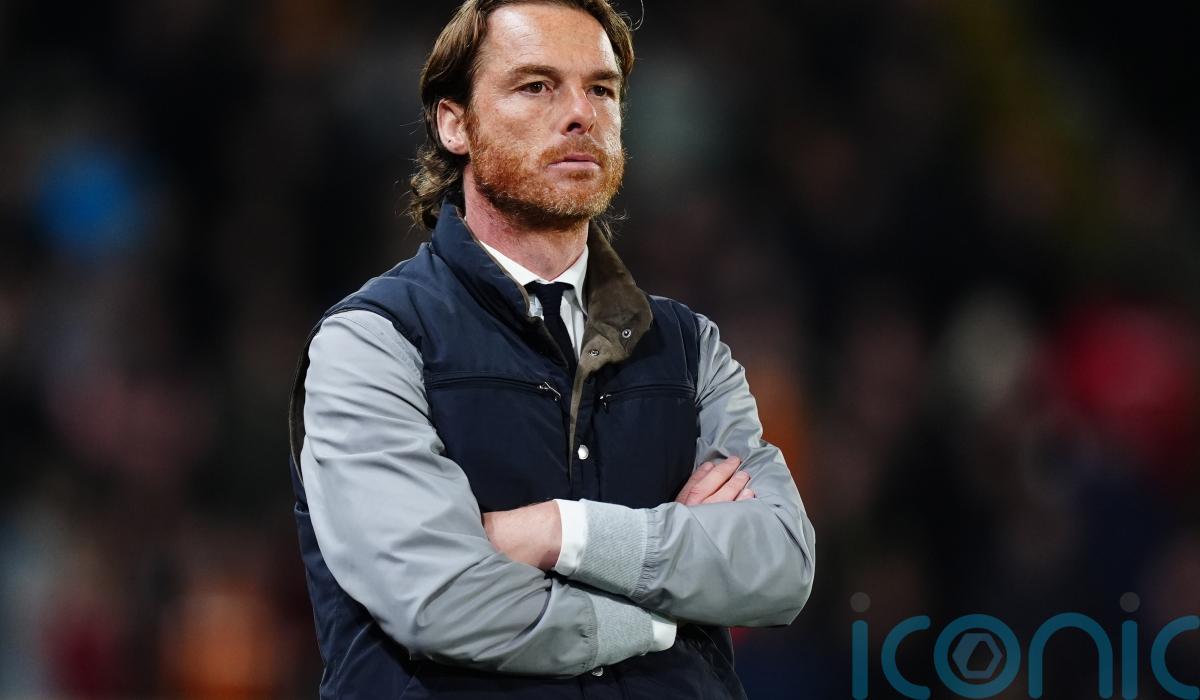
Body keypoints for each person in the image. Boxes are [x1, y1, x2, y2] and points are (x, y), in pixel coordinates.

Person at [285, 1, 817, 697]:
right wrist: (662, 615)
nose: (580, 114)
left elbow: (780, 565)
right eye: (536, 86)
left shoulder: (690, 349)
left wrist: (561, 531)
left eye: (601, 89)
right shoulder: (371, 343)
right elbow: (443, 602)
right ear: (453, 124)